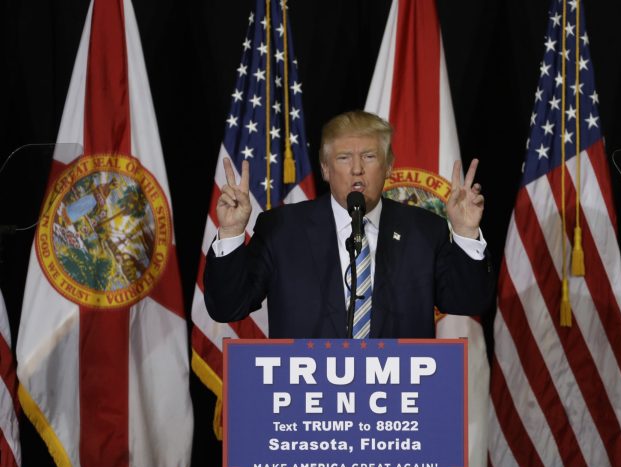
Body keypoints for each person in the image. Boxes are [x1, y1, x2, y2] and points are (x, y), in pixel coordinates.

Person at [204, 110, 494, 337]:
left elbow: (467, 302)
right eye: (344, 158)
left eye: (369, 156)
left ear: (389, 165)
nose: (357, 169)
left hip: (398, 400)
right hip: (308, 399)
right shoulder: (282, 229)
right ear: (325, 169)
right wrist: (230, 232)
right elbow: (229, 306)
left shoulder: (425, 230)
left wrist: (466, 233)